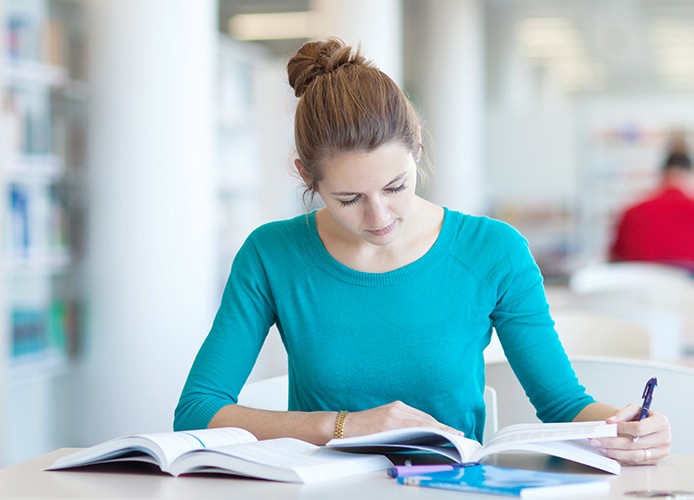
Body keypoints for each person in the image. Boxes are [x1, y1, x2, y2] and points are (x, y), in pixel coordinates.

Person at [175, 37, 671, 466]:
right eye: (349, 199)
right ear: (307, 177)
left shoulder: (493, 251)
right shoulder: (272, 254)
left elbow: (562, 403)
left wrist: (627, 426)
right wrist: (345, 425)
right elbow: (197, 409)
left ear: (416, 146)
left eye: (395, 186)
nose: (380, 217)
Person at [610, 150, 694, 272]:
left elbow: (615, 259)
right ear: (690, 173)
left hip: (638, 287)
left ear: (662, 173)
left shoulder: (632, 212)